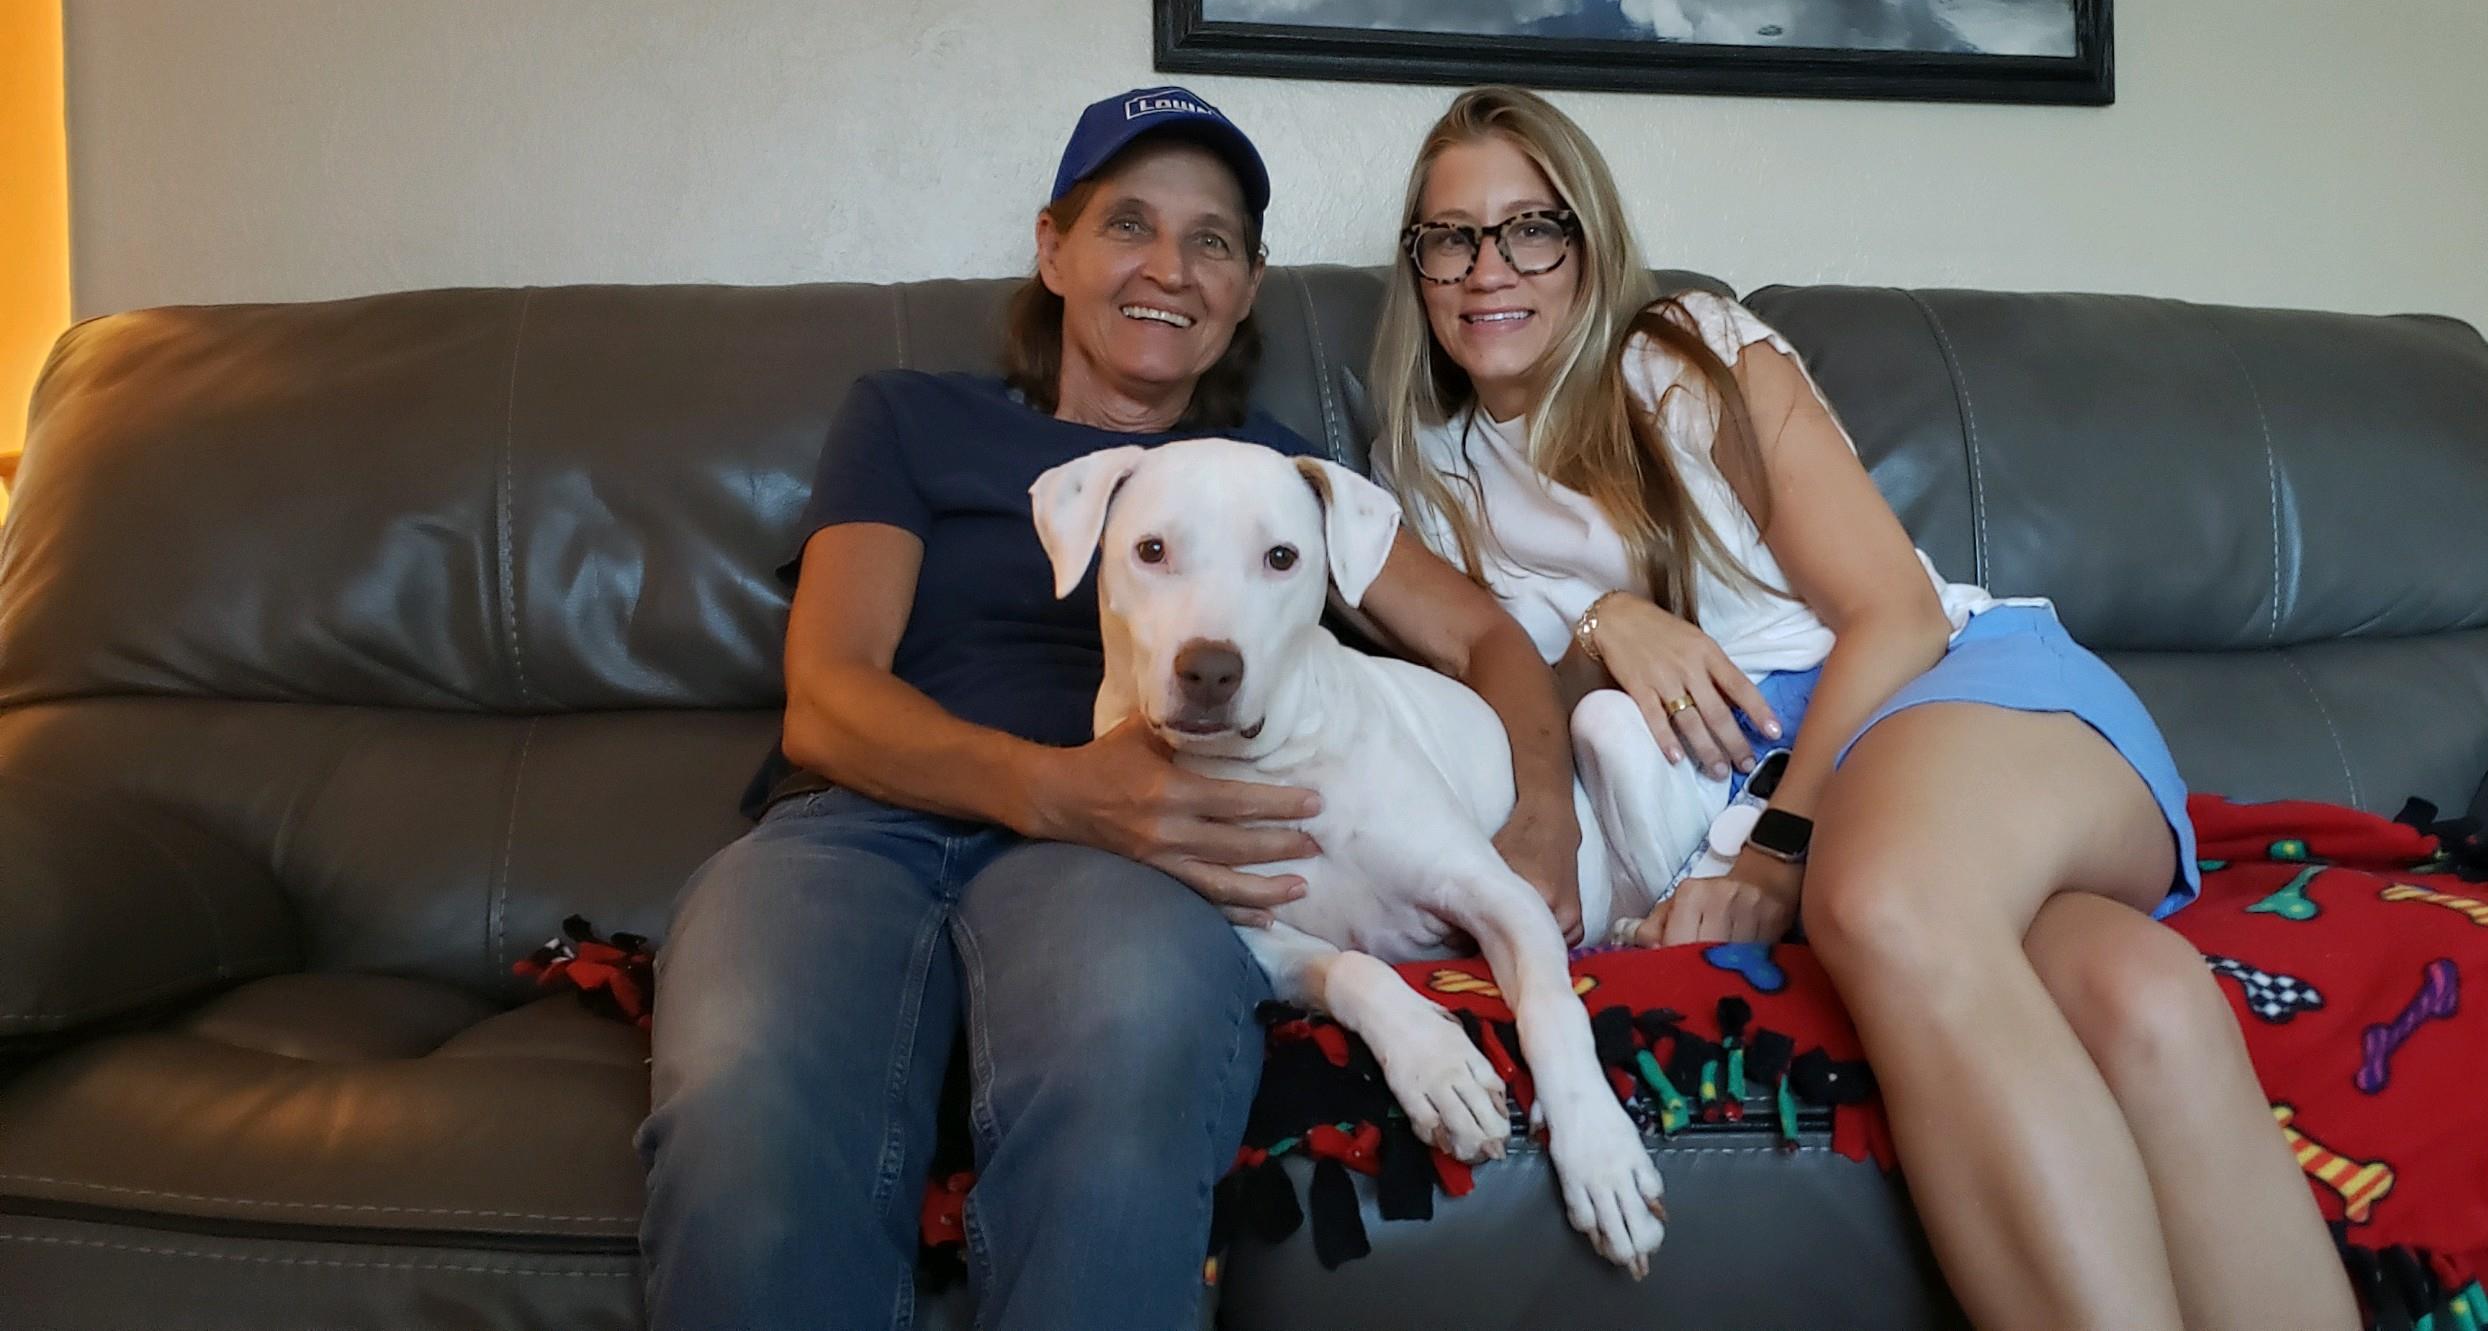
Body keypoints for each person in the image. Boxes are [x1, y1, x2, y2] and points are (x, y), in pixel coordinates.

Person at [1367, 86, 2358, 1331]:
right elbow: (1506, 691)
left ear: (1589, 239)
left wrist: (1773, 851)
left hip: (1952, 696)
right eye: (1449, 237)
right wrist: (1603, 620)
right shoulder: (1420, 479)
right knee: (2133, 998)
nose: (1486, 269)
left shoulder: (1684, 352)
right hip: (1787, 789)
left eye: (1530, 227)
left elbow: (1892, 614)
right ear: (1415, 264)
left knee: (1882, 900)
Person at [635, 86, 1581, 1331]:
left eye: (1211, 240)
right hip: (861, 825)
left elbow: (1485, 635)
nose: (1168, 267)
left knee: (1126, 1057)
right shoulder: (912, 418)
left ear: (1246, 287)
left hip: (1126, 864)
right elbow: (827, 696)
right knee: (745, 1089)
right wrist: (1059, 789)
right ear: (1052, 249)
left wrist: (1543, 823)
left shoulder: (1274, 483)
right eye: (1128, 223)